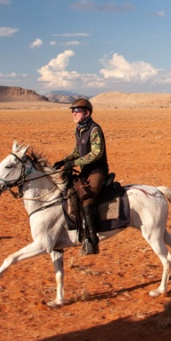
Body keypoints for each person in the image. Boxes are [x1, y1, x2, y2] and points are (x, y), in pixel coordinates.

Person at [53, 98, 108, 255]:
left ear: (87, 113)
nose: (73, 114)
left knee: (87, 199)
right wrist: (65, 160)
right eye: (72, 111)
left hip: (97, 170)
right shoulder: (79, 129)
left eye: (76, 111)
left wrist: (75, 162)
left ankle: (92, 240)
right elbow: (77, 150)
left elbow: (97, 153)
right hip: (85, 170)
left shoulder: (94, 129)